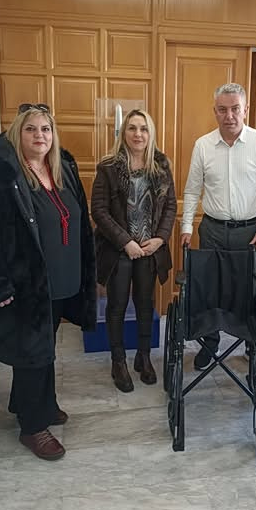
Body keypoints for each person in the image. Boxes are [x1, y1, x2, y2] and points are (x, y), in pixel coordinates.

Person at [0, 103, 97, 461]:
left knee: (43, 347)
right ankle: (32, 426)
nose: (40, 135)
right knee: (32, 353)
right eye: (31, 129)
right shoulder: (0, 177)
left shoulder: (62, 168)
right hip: (26, 286)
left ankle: (39, 403)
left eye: (46, 129)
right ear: (16, 134)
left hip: (59, 281)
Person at [180, 82, 256, 370]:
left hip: (250, 233)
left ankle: (250, 343)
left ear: (245, 109)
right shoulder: (203, 145)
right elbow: (192, 190)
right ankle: (209, 343)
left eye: (235, 109)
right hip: (212, 229)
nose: (229, 116)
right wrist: (186, 226)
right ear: (215, 111)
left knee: (247, 290)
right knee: (209, 289)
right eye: (223, 110)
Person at [91, 109, 176, 393]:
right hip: (119, 249)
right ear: (123, 133)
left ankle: (143, 356)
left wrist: (160, 239)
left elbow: (170, 206)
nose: (138, 134)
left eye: (144, 128)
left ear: (150, 134)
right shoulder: (108, 167)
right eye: (132, 128)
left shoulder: (161, 165)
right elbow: (99, 210)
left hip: (150, 249)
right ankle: (118, 362)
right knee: (116, 306)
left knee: (145, 304)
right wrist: (125, 241)